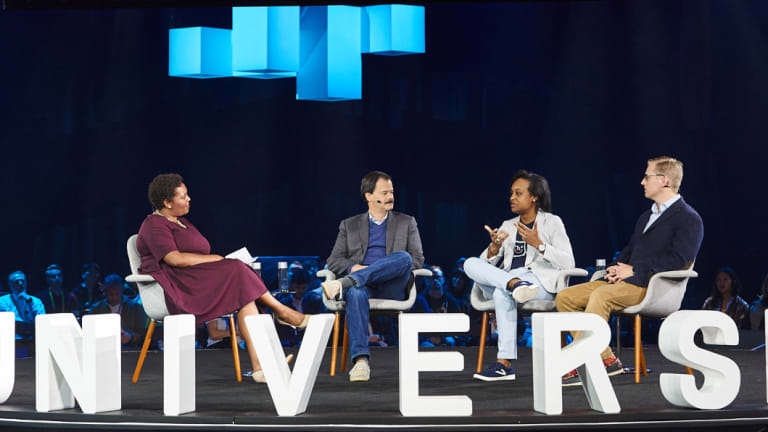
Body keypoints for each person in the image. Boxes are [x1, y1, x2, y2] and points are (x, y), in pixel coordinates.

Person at [136, 173, 309, 383]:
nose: (189, 199)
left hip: (198, 280)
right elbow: (173, 258)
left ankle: (259, 368)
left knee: (245, 295)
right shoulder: (154, 224)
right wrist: (216, 259)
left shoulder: (182, 222)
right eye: (183, 196)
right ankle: (282, 311)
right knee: (236, 268)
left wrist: (215, 261)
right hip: (180, 288)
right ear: (167, 202)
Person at [555, 156, 704, 386]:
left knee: (600, 296)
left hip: (651, 286)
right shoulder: (646, 216)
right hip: (626, 281)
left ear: (664, 180)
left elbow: (678, 259)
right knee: (566, 297)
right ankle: (606, 360)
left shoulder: (689, 218)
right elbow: (631, 249)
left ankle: (587, 361)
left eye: (647, 176)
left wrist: (634, 270)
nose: (642, 182)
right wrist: (617, 267)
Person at [464, 170, 575, 381]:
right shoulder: (507, 225)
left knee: (501, 293)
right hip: (511, 279)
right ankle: (513, 284)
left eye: (518, 193)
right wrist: (494, 249)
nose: (512, 198)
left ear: (534, 197)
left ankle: (504, 364)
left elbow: (569, 262)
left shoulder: (552, 222)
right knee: (470, 263)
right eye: (511, 193)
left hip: (538, 285)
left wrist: (539, 244)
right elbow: (483, 266)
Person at [322, 170, 425, 382]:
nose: (391, 196)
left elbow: (417, 259)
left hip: (392, 284)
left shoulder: (407, 222)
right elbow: (334, 260)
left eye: (392, 192)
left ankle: (344, 284)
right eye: (385, 192)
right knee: (356, 293)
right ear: (369, 196)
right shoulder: (349, 225)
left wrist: (380, 269)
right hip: (363, 285)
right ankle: (361, 361)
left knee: (404, 258)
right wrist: (354, 268)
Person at [89, 274, 148, 347]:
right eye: (110, 294)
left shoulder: (135, 307)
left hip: (130, 350)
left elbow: (143, 335)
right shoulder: (96, 309)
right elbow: (90, 334)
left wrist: (130, 337)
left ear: (122, 291)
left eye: (117, 294)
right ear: (105, 292)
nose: (114, 297)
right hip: (104, 348)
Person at [0, 271, 46, 339]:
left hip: (33, 338)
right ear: (10, 284)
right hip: (12, 338)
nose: (20, 284)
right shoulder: (3, 301)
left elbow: (42, 320)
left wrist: (30, 303)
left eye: (22, 281)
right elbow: (9, 322)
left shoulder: (36, 301)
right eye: (16, 282)